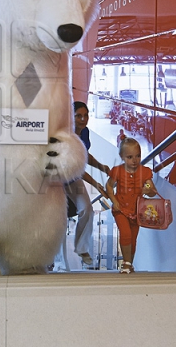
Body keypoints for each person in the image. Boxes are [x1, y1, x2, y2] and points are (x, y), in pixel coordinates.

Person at [65, 101, 110, 267]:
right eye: (78, 116)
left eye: (86, 115)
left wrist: (102, 167)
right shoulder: (67, 136)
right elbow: (78, 167)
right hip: (57, 179)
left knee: (87, 209)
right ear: (71, 116)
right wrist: (97, 184)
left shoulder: (85, 133)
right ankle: (49, 257)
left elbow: (85, 156)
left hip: (73, 178)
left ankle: (82, 248)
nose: (83, 119)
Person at [105, 137, 157, 273]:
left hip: (137, 211)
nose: (134, 160)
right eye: (129, 157)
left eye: (138, 156)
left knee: (133, 239)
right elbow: (109, 186)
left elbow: (152, 191)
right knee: (126, 234)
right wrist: (114, 201)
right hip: (120, 209)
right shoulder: (117, 171)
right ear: (121, 157)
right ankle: (126, 264)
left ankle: (130, 263)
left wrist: (148, 190)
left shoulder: (145, 172)